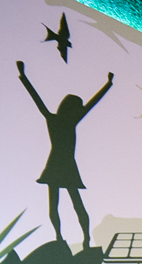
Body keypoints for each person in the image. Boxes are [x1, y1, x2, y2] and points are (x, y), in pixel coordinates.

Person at [17, 63, 112, 252]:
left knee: (59, 205)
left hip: (58, 165)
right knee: (72, 204)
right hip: (63, 165)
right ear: (72, 108)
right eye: (77, 107)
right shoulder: (67, 120)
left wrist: (23, 76)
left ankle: (72, 237)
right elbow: (92, 103)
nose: (80, 110)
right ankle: (74, 237)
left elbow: (38, 100)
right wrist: (107, 85)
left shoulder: (55, 119)